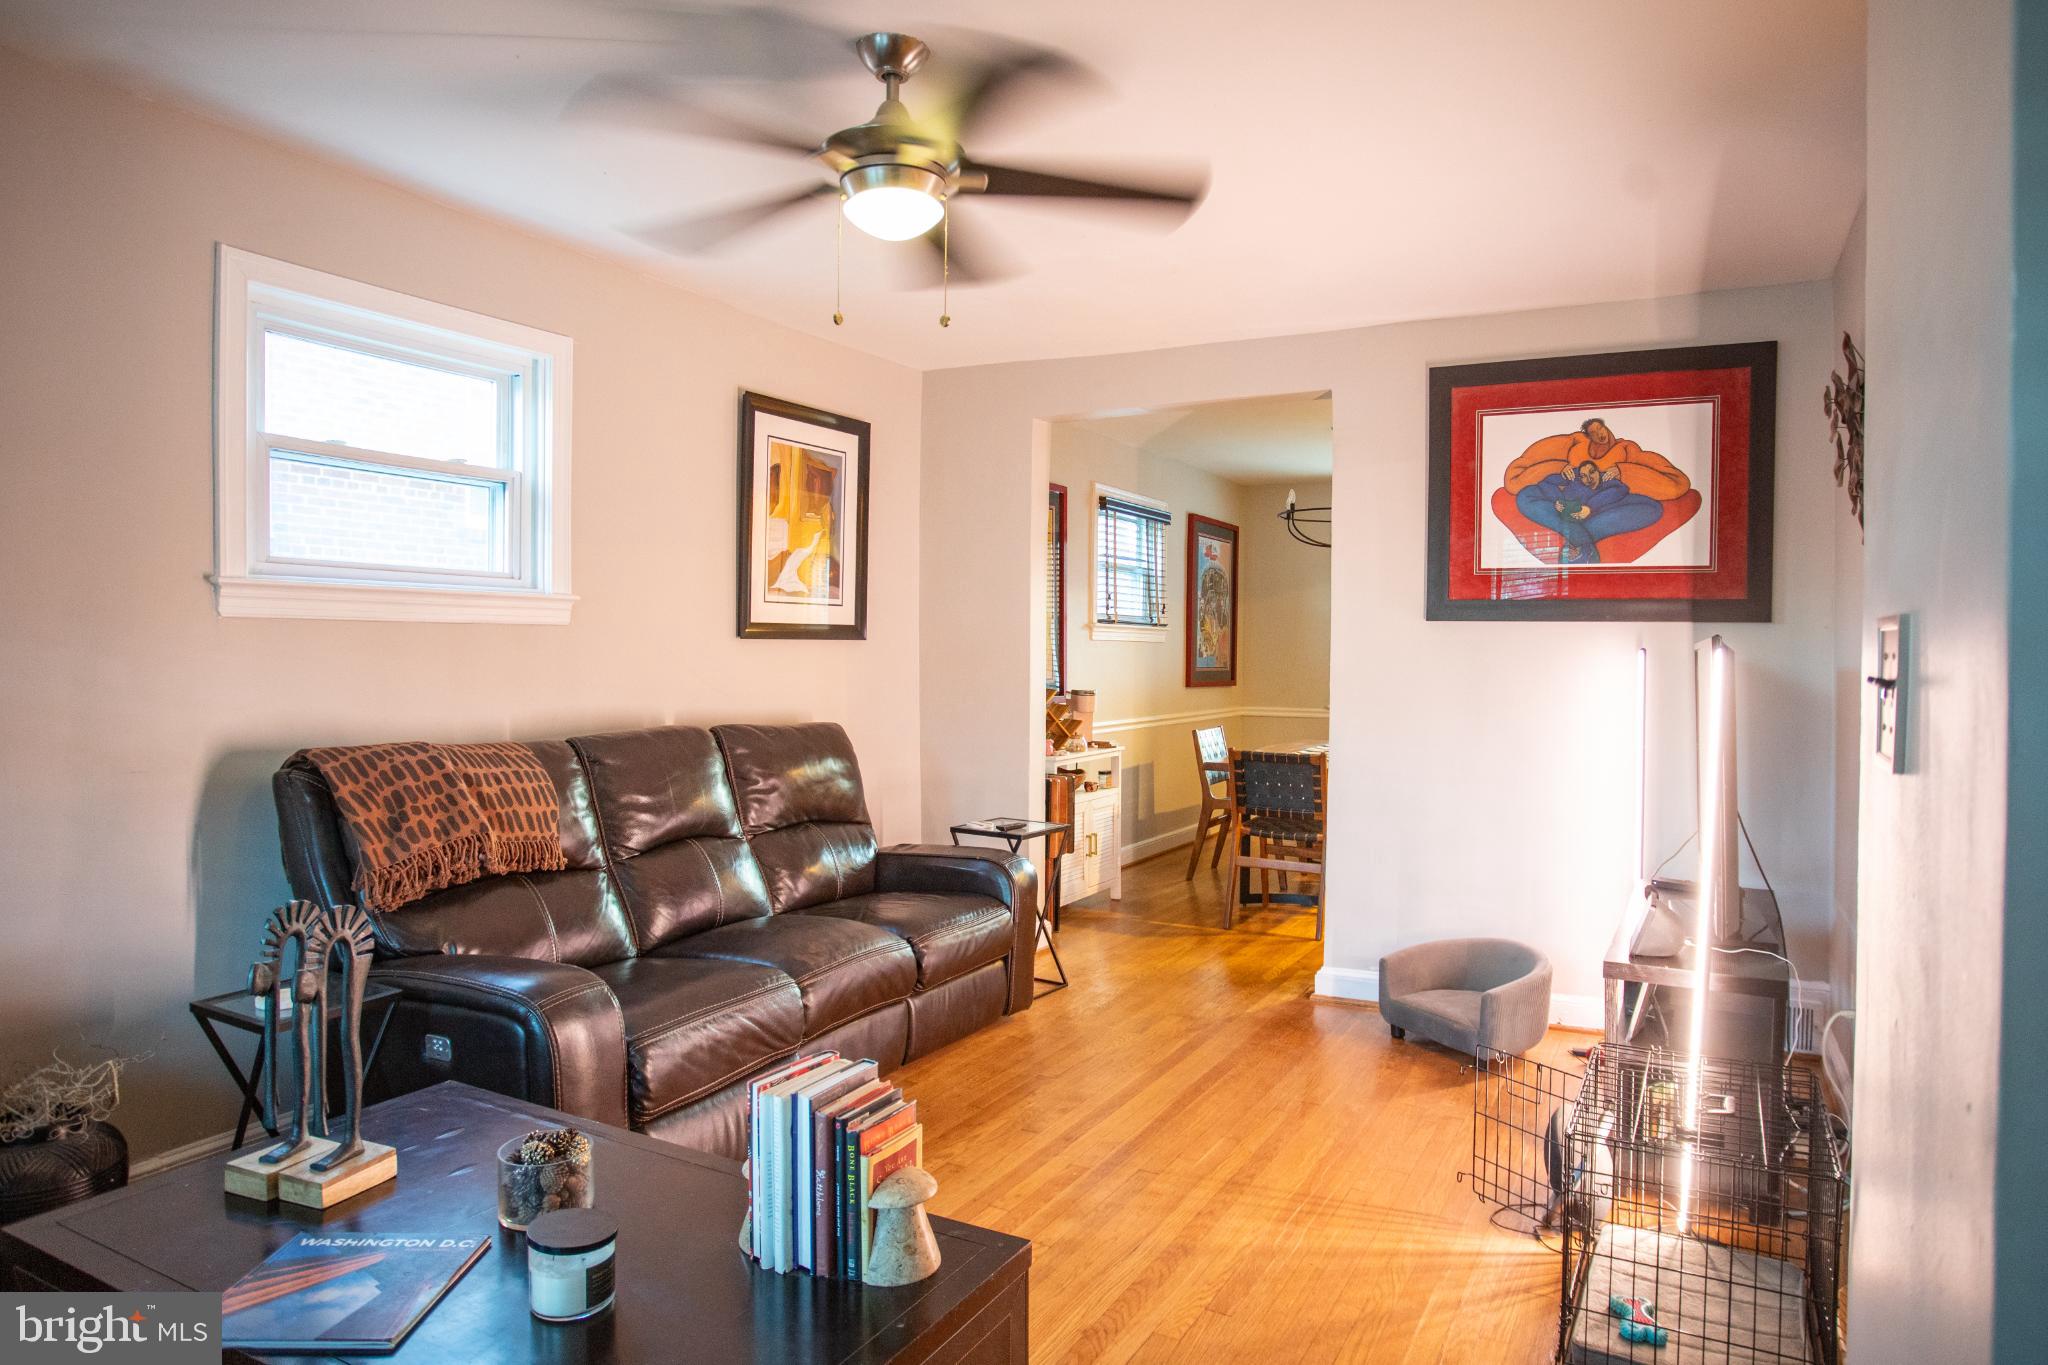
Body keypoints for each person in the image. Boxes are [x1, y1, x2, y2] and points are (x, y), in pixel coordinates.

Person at [1503, 417, 1692, 501]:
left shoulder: (1626, 449)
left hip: (1607, 498)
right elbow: (1517, 475)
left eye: (1601, 429)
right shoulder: (1577, 444)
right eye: (1594, 433)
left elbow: (1678, 484)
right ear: (1588, 435)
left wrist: (1624, 471)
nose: (1600, 435)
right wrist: (1562, 468)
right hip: (1570, 495)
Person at [1514, 460, 1664, 563]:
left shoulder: (1607, 481)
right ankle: (1582, 542)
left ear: (1598, 471)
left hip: (1601, 513)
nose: (1589, 478)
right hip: (1568, 514)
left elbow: (1621, 490)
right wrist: (1558, 501)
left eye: (1592, 472)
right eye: (1584, 476)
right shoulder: (1573, 477)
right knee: (1525, 495)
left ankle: (1578, 540)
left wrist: (1590, 507)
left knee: (1653, 508)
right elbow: (1545, 482)